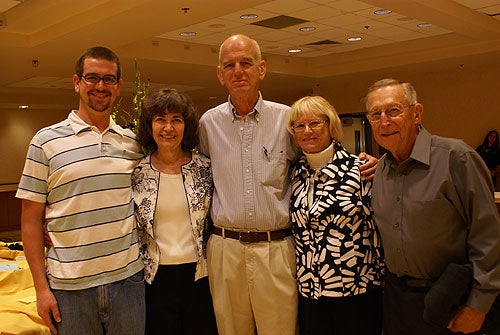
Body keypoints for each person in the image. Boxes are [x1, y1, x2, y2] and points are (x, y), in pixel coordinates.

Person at [198, 34, 378, 335]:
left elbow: (317, 160)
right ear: (220, 74)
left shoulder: (287, 120)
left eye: (246, 63)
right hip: (225, 249)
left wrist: (363, 164)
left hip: (276, 248)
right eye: (229, 65)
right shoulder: (207, 124)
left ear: (262, 69)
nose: (238, 71)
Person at [16, 46, 145, 335]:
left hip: (128, 283)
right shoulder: (44, 142)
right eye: (92, 78)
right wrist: (41, 289)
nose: (100, 86)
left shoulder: (133, 144)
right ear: (77, 82)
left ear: (119, 86)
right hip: (68, 289)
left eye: (109, 79)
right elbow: (30, 220)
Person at [365, 78, 500, 335]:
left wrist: (478, 306)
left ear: (417, 113)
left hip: (451, 300)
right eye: (375, 114)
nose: (384, 121)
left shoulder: (457, 158)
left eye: (393, 110)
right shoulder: (381, 169)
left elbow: (489, 237)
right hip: (398, 302)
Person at [286, 95, 384, 334]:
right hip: (310, 293)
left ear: (331, 125)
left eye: (315, 123)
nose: (307, 131)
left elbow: (379, 231)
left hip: (356, 291)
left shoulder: (360, 170)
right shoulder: (294, 174)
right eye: (299, 125)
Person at [132, 88, 217, 334]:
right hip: (154, 279)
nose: (168, 128)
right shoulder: (137, 173)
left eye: (176, 120)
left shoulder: (204, 168)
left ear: (186, 126)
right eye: (160, 120)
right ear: (150, 126)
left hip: (200, 275)